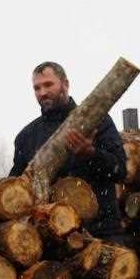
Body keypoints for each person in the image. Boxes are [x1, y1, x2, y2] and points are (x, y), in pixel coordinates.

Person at [10, 61, 127, 237]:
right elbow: (17, 188)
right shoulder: (26, 137)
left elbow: (120, 170)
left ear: (65, 84)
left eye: (49, 85)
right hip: (52, 239)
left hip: (101, 233)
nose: (42, 92)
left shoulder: (98, 121)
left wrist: (92, 154)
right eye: (37, 88)